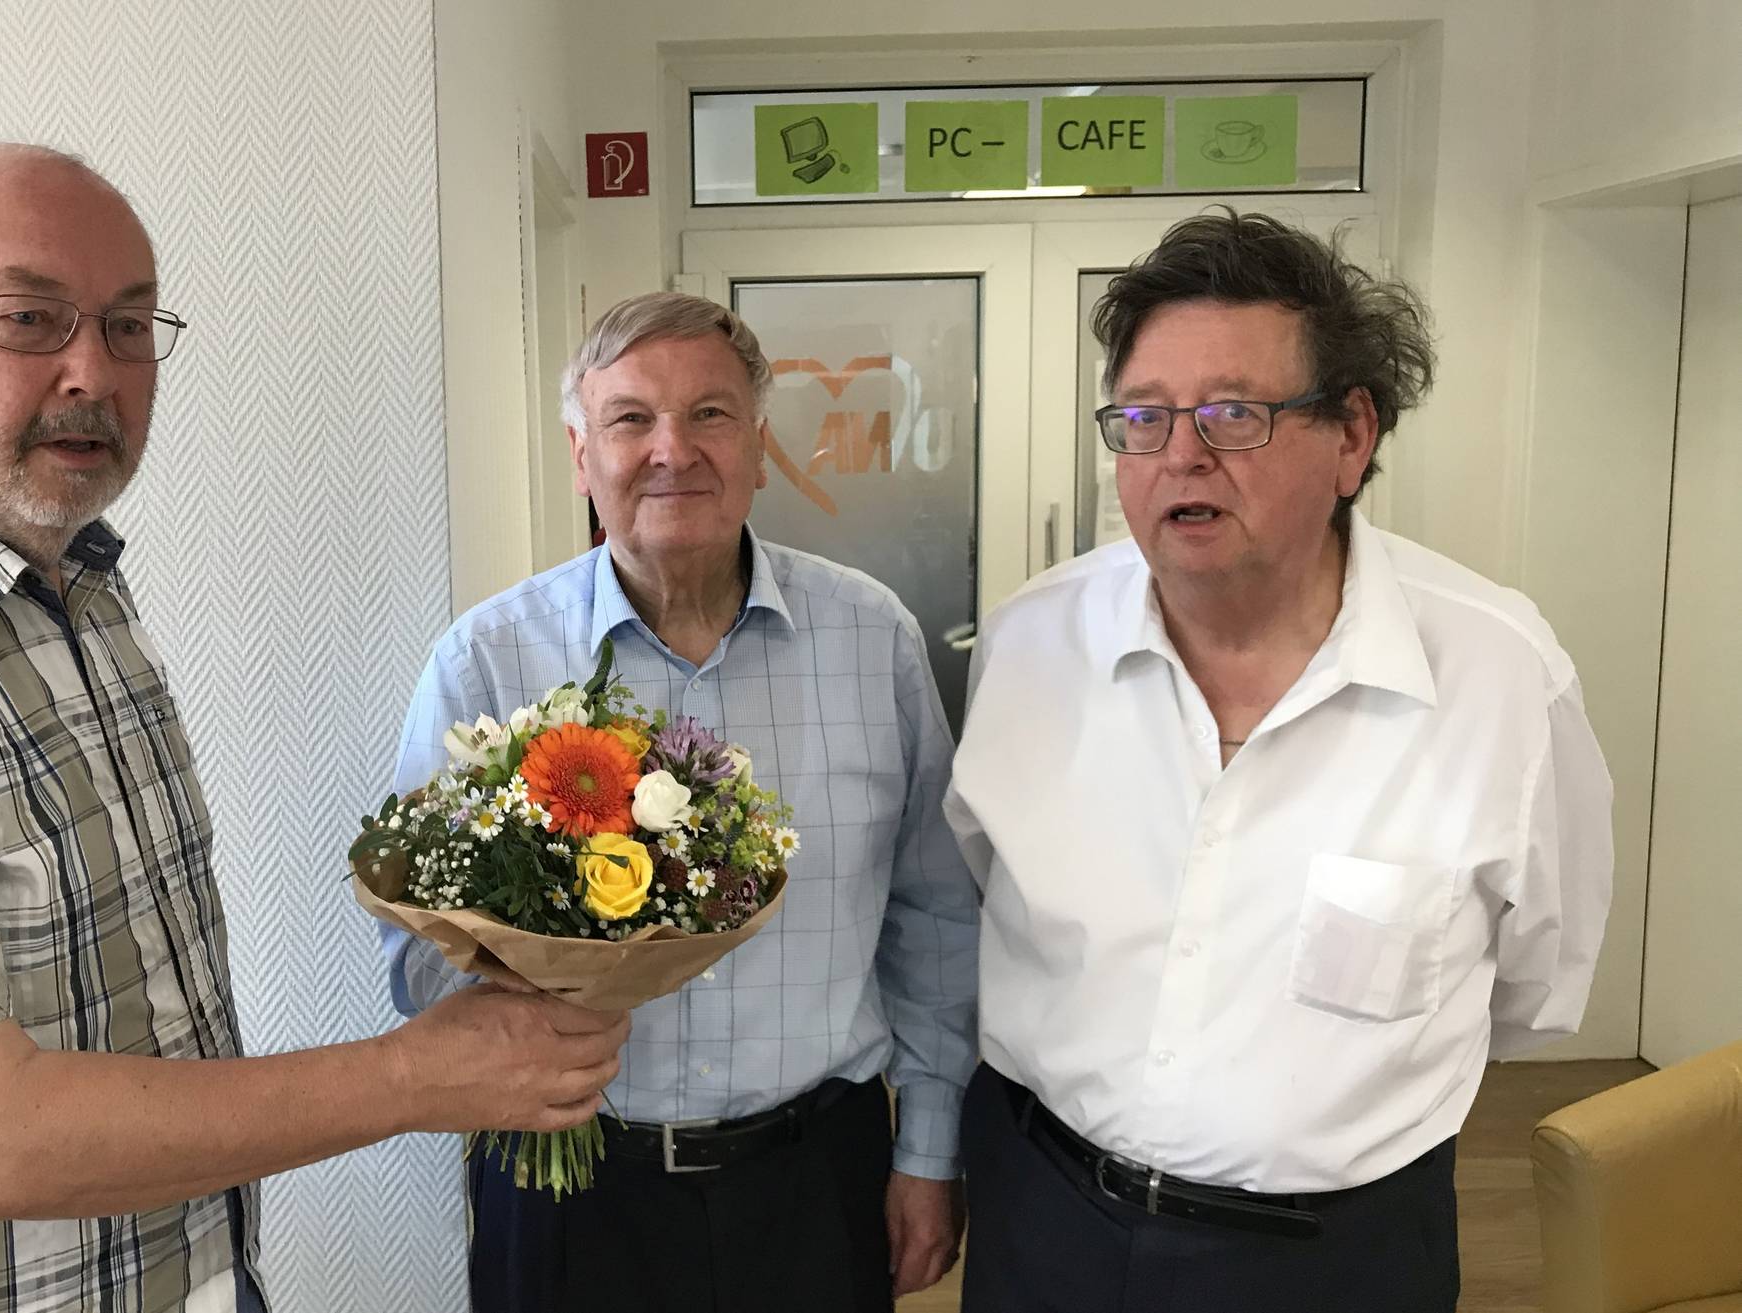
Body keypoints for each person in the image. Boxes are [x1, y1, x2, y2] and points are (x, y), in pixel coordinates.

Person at [0, 143, 628, 1313]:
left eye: (127, 324)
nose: (90, 372)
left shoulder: (79, 581)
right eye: (27, 316)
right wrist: (423, 1073)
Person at [946, 209, 1614, 1313]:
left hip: (1334, 1258)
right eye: (1145, 419)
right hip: (1044, 1218)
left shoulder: (1501, 677)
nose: (1181, 457)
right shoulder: (1030, 643)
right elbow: (987, 887)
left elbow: (1536, 986)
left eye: (1233, 414)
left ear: (1353, 435)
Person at [383, 292, 980, 1313]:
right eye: (630, 420)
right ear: (582, 457)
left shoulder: (870, 636)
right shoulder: (488, 660)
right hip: (572, 1184)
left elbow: (934, 915)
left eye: (711, 414)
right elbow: (413, 966)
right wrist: (550, 950)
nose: (674, 450)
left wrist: (930, 1149)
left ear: (759, 446)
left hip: (815, 1182)